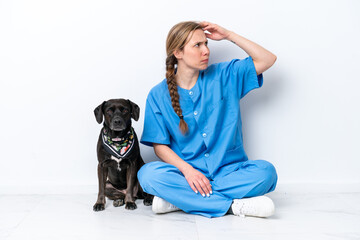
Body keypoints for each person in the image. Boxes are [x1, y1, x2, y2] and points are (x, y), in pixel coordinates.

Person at [138, 21, 278, 218]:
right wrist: (188, 171)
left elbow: (268, 59)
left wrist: (229, 34)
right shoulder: (157, 95)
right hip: (187, 175)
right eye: (197, 45)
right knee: (148, 175)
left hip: (229, 172)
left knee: (266, 173)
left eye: (206, 44)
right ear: (178, 53)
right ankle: (232, 206)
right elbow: (160, 146)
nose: (206, 51)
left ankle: (181, 200)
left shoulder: (225, 75)